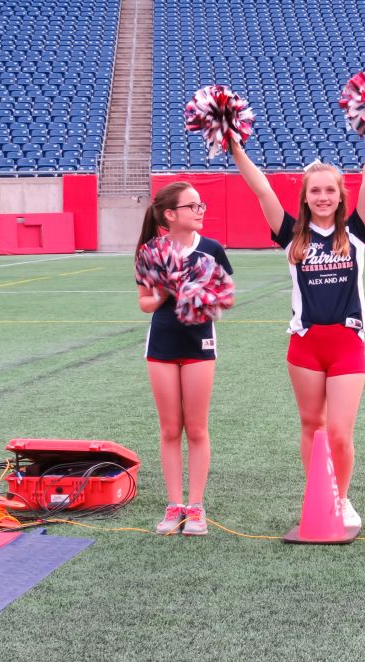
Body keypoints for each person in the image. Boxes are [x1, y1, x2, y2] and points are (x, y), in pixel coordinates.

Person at [229, 130, 365, 529]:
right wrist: (234, 147)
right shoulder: (292, 235)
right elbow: (262, 190)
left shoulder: (356, 232)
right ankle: (319, 490)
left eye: (329, 190)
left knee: (338, 431)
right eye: (315, 191)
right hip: (305, 345)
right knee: (312, 427)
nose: (322, 197)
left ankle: (343, 497)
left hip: (347, 344)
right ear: (305, 197)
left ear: (339, 195)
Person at [136, 181, 234, 536]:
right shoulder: (151, 251)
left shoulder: (211, 250)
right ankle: (174, 505)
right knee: (169, 429)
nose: (200, 211)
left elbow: (226, 298)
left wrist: (202, 296)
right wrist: (165, 289)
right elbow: (145, 303)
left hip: (199, 347)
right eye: (193, 206)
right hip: (161, 348)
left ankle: (196, 507)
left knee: (196, 429)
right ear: (170, 214)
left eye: (201, 205)